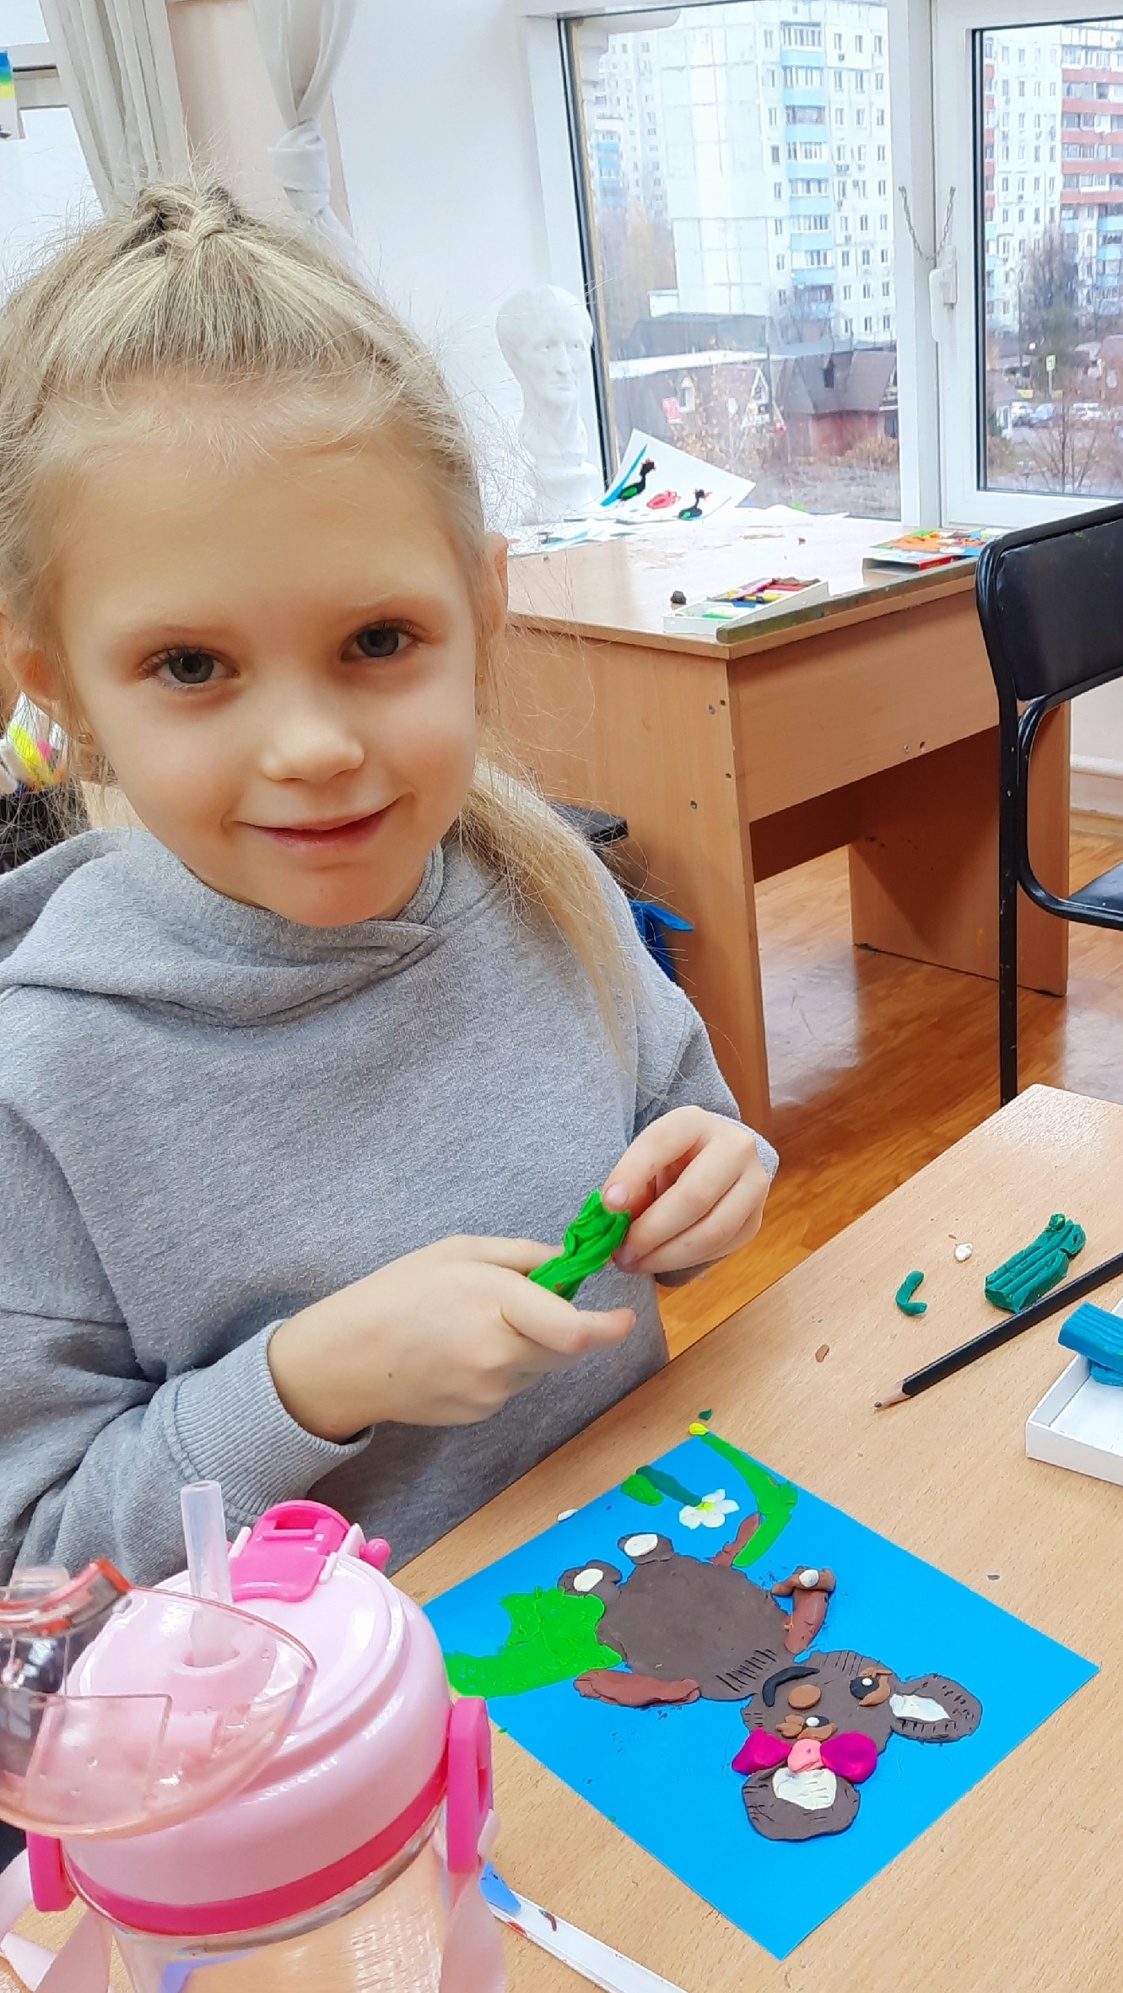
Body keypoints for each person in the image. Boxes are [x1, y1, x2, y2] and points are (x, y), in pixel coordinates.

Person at [0, 180, 776, 1584]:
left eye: (376, 640)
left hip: (642, 1597)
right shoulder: (41, 1080)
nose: (311, 747)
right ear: (59, 689)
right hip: (332, 1709)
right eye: (191, 665)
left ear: (481, 610)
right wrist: (303, 1385)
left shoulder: (546, 884)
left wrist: (716, 1179)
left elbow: (680, 1128)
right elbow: (41, 1570)